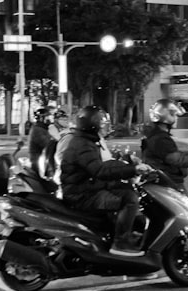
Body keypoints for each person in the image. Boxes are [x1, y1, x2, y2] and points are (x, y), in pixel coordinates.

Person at [59, 105, 152, 256]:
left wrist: (128, 165)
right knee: (130, 199)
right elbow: (100, 171)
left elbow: (104, 164)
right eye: (103, 125)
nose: (105, 128)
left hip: (86, 187)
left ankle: (121, 232)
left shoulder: (87, 141)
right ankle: (120, 243)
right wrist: (132, 170)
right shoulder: (82, 145)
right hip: (80, 194)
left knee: (126, 189)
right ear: (93, 126)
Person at [141, 98, 188, 192]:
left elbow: (174, 154)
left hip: (165, 180)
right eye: (175, 115)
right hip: (168, 183)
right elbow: (179, 160)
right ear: (167, 116)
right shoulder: (161, 139)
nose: (177, 118)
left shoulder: (157, 136)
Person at [28, 108, 53, 178]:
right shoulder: (37, 130)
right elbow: (48, 144)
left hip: (44, 161)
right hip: (38, 164)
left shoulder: (43, 129)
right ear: (41, 118)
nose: (49, 119)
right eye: (47, 117)